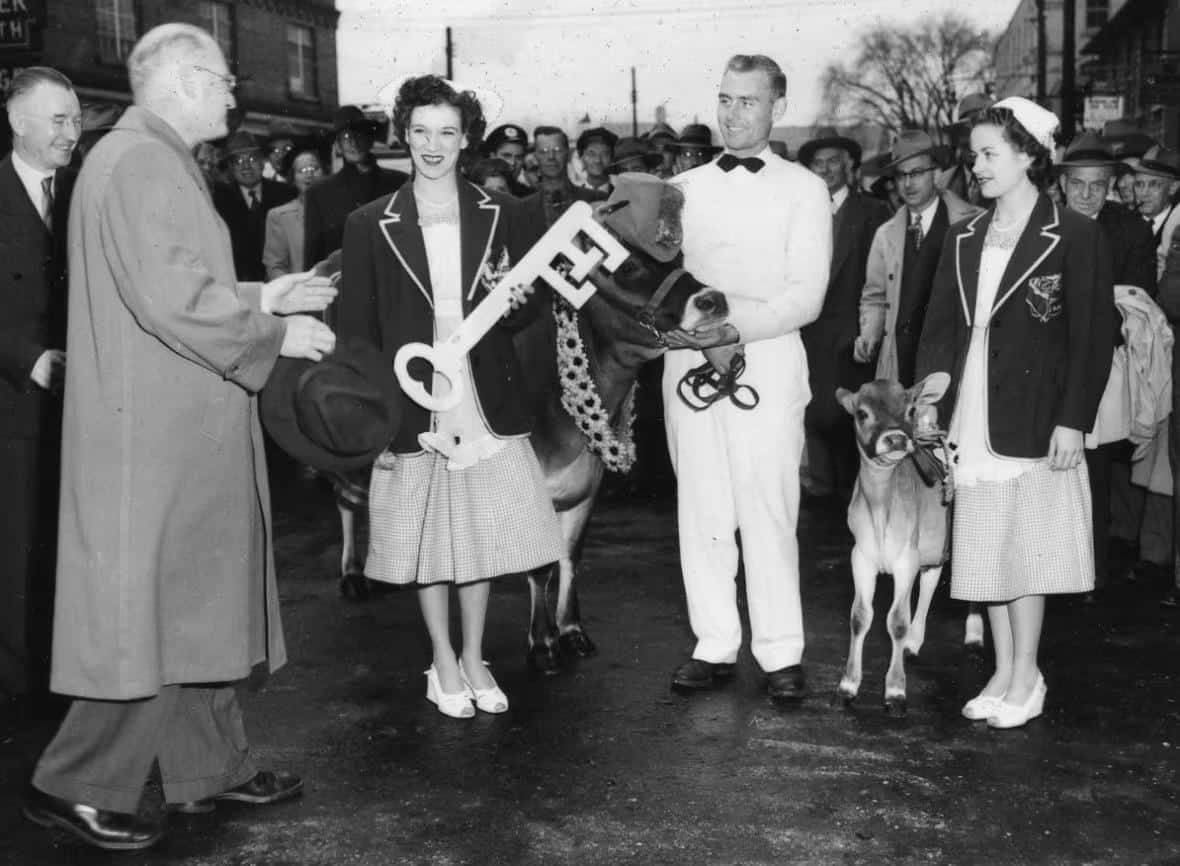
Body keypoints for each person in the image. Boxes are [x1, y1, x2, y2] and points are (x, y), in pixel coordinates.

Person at [23, 23, 337, 851]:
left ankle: (210, 773)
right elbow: (174, 301)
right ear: (185, 81)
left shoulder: (143, 157)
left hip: (171, 429)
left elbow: (174, 282)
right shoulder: (141, 163)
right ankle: (74, 784)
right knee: (150, 619)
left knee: (194, 604)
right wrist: (276, 341)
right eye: (226, 80)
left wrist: (270, 297)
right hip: (159, 439)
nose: (235, 93)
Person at [336, 75, 563, 719]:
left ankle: (474, 655)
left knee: (480, 529)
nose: (433, 145)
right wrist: (372, 412)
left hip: (482, 392)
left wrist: (520, 303)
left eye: (447, 132)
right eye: (420, 131)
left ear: (466, 139)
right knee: (432, 532)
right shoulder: (367, 223)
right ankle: (441, 660)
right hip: (413, 393)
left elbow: (526, 305)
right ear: (402, 135)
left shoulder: (506, 212)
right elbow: (356, 329)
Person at [915, 97, 1114, 729]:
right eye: (974, 155)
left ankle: (1028, 676)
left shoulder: (1075, 234)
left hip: (1037, 413)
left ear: (1028, 155)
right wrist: (930, 406)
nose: (977, 166)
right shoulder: (963, 235)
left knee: (1027, 548)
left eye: (989, 153)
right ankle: (1002, 670)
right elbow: (940, 331)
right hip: (973, 407)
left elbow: (1090, 337)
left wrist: (1073, 420)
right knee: (987, 544)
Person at [662, 54, 831, 700]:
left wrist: (736, 330)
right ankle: (713, 642)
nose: (732, 114)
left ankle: (781, 651)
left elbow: (807, 295)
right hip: (690, 365)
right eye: (725, 100)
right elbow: (663, 281)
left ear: (777, 108)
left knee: (768, 506)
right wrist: (694, 332)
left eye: (748, 102)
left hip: (769, 359)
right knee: (702, 505)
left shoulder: (804, 189)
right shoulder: (686, 189)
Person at [0, 67, 79, 701]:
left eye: (76, 119)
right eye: (58, 119)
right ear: (16, 121)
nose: (72, 132)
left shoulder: (86, 192)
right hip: (14, 403)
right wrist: (29, 359)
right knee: (16, 547)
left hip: (83, 406)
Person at [1057, 131, 1158, 600]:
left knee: (1095, 470)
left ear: (1111, 185)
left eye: (1097, 185)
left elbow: (1138, 301)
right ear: (1062, 184)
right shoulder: (1044, 224)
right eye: (1078, 184)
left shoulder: (1128, 228)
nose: (1086, 194)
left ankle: (1090, 575)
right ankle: (1051, 570)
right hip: (1050, 366)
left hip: (1107, 367)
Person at [798, 126, 891, 500]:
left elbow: (880, 280)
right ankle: (821, 502)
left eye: (833, 161)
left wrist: (868, 331)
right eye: (818, 163)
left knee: (850, 420)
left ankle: (853, 501)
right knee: (813, 415)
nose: (826, 169)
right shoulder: (800, 211)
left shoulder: (873, 212)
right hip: (808, 332)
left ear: (849, 165)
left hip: (852, 335)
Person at [856, 129, 981, 386]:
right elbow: (875, 296)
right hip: (902, 363)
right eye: (901, 175)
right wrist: (869, 334)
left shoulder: (973, 222)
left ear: (936, 173)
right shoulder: (885, 235)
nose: (908, 184)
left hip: (955, 358)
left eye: (917, 173)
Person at [302, 105, 408, 271]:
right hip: (341, 286)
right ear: (338, 145)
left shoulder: (399, 183)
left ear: (370, 139)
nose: (353, 142)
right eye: (345, 137)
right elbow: (313, 258)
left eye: (359, 135)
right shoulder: (319, 193)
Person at [212, 130, 296, 281]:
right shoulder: (219, 200)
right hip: (238, 285)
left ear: (263, 162)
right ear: (230, 168)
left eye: (252, 159)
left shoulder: (286, 194)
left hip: (280, 281)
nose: (246, 166)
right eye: (238, 161)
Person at [521, 125, 605, 229]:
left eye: (557, 150)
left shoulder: (598, 199)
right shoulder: (522, 208)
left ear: (567, 152)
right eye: (544, 151)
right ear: (536, 156)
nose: (551, 157)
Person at [262, 146, 324, 279]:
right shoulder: (279, 216)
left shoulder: (339, 210)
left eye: (314, 168)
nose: (309, 174)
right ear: (293, 178)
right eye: (302, 170)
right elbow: (275, 267)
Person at [1133, 145, 1180, 280]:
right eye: (1139, 184)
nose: (1144, 193)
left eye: (1154, 185)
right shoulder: (1122, 223)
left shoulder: (1177, 228)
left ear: (1173, 188)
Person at [481, 122, 532, 196]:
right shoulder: (475, 191)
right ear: (492, 156)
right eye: (506, 156)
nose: (512, 163)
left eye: (519, 157)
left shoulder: (529, 197)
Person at [574, 126, 617, 195]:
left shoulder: (622, 197)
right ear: (581, 157)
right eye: (591, 154)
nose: (598, 160)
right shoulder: (573, 198)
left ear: (612, 158)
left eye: (604, 154)